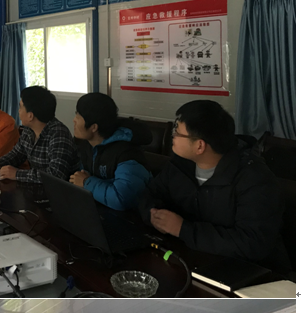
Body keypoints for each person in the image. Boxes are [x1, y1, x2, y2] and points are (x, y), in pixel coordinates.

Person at [139, 100, 289, 272]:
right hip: (191, 260)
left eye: (177, 132)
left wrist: (183, 229)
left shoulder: (254, 179)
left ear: (199, 146)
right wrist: (153, 215)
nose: (173, 135)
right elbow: (149, 194)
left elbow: (253, 243)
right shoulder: (180, 165)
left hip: (250, 272)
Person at [70, 93, 152, 211]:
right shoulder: (87, 144)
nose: (74, 120)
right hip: (98, 210)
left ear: (94, 127)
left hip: (129, 217)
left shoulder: (127, 152)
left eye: (79, 116)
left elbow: (122, 198)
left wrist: (86, 182)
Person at [0, 86, 78, 183]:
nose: (19, 111)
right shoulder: (28, 130)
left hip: (59, 190)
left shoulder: (59, 134)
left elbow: (56, 175)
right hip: (36, 187)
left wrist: (17, 174)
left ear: (30, 116)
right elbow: (17, 154)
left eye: (20, 107)